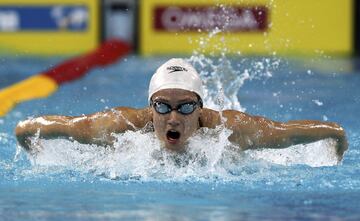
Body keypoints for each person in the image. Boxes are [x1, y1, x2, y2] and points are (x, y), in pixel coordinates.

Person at [15, 58, 348, 161]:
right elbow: (27, 128)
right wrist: (36, 151)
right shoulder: (119, 126)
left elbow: (287, 133)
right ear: (150, 107)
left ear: (201, 108)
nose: (173, 118)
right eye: (162, 106)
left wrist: (336, 137)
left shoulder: (229, 130)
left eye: (186, 107)